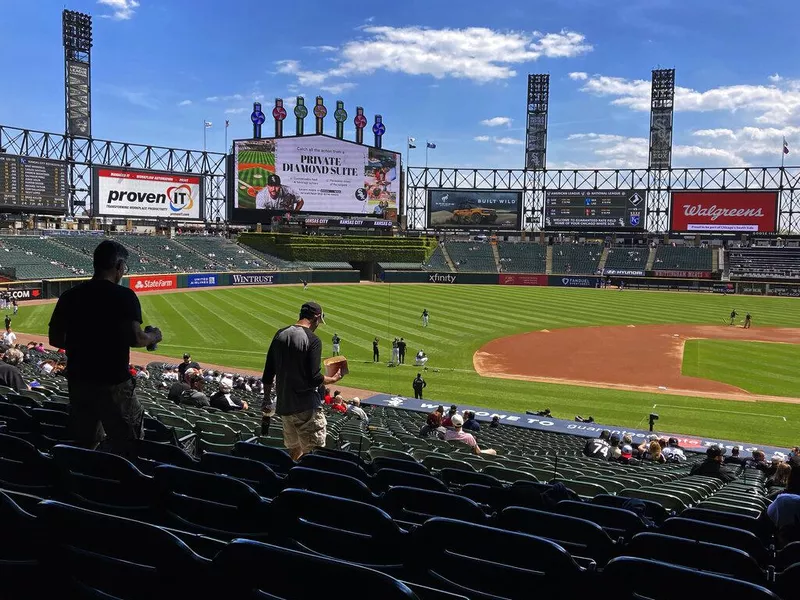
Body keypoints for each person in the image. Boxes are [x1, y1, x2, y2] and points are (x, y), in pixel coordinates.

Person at [48, 240, 162, 454]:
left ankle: (86, 481)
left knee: (85, 443)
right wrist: (154, 335)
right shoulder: (124, 295)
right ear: (118, 266)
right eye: (123, 268)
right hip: (113, 384)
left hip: (79, 381)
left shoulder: (70, 295)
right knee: (128, 444)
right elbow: (136, 339)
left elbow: (55, 339)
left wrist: (86, 343)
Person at [262, 301, 344, 461]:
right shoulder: (313, 339)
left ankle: (292, 478)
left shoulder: (280, 333)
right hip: (306, 407)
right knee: (314, 454)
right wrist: (332, 379)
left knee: (294, 450)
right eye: (319, 322)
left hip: (285, 406)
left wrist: (266, 398)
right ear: (316, 317)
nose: (318, 325)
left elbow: (268, 371)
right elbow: (314, 378)